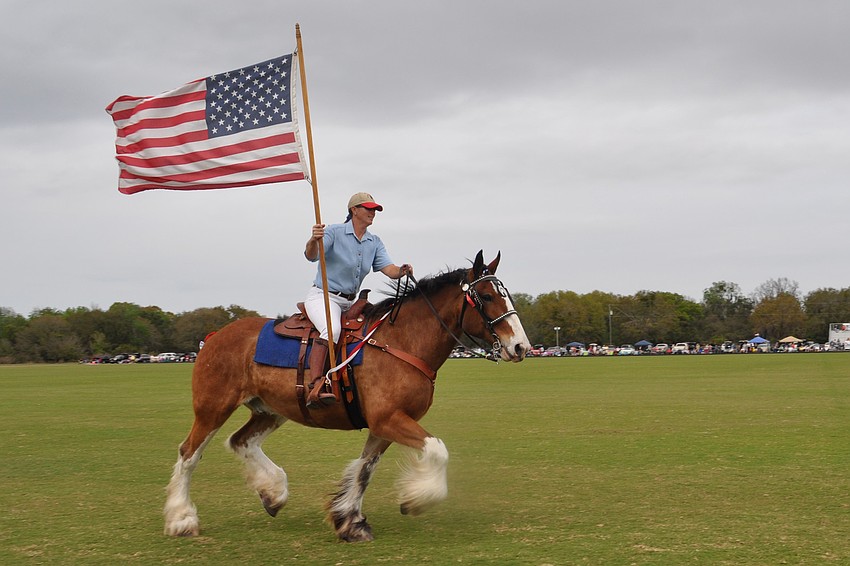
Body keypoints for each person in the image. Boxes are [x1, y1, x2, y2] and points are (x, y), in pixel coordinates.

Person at [303, 192, 412, 408]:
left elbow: (388, 269)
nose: (373, 213)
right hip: (324, 297)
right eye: (368, 209)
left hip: (351, 302)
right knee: (332, 330)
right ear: (354, 210)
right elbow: (311, 255)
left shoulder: (374, 241)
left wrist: (401, 270)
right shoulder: (333, 232)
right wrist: (313, 239)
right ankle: (315, 385)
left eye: (375, 210)